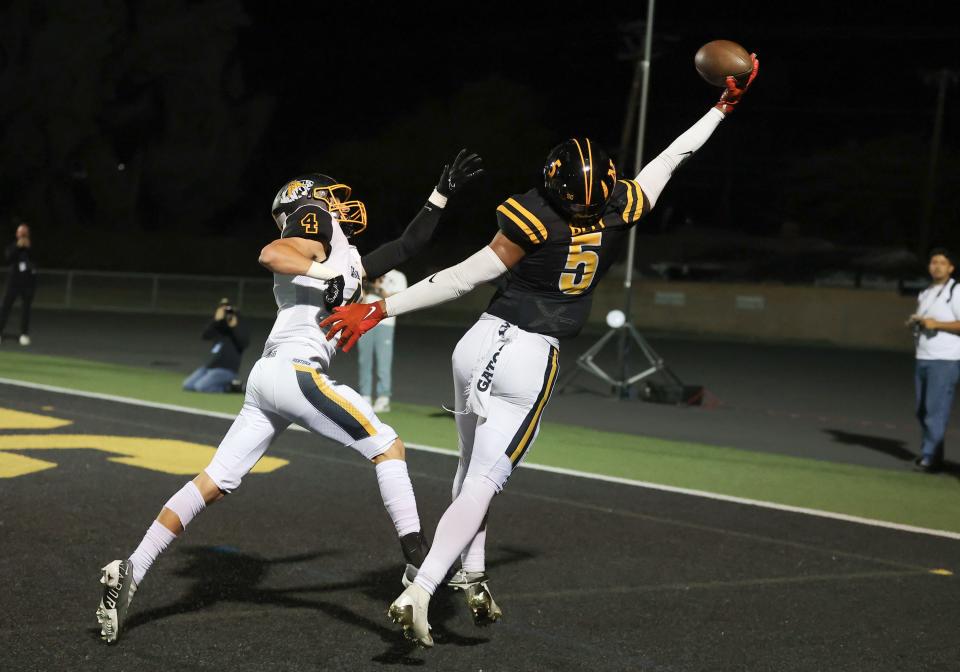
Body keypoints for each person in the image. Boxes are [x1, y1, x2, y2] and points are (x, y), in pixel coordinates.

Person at [321, 57, 759, 647]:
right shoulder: (613, 206)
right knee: (485, 481)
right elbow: (672, 158)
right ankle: (421, 586)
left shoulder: (533, 213)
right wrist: (721, 108)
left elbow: (463, 277)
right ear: (604, 184)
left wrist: (379, 307)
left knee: (466, 470)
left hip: (477, 344)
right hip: (531, 357)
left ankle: (471, 577)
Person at [95, 149, 485, 644]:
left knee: (213, 481)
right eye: (329, 198)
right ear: (308, 203)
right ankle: (418, 564)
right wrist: (328, 276)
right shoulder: (313, 225)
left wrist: (441, 193)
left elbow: (410, 243)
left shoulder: (343, 253)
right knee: (388, 446)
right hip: (298, 372)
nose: (338, 205)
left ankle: (132, 567)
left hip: (268, 378)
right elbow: (271, 254)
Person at [907, 247, 960, 473]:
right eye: (933, 262)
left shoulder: (955, 291)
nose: (936, 266)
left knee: (934, 410)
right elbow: (927, 320)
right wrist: (917, 323)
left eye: (942, 263)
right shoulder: (926, 292)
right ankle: (933, 454)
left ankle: (929, 457)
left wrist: (936, 324)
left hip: (944, 359)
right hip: (924, 357)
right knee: (922, 409)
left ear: (950, 268)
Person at [357, 269, 407, 412]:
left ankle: (383, 398)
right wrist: (365, 290)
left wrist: (377, 288)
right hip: (365, 320)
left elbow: (397, 299)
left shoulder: (398, 276)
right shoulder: (369, 273)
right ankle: (364, 395)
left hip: (386, 323)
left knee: (383, 361)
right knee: (364, 360)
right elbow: (361, 299)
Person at [182, 298, 250, 393]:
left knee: (200, 387)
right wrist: (215, 321)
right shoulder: (219, 326)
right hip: (209, 367)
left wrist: (233, 326)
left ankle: (231, 387)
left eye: (228, 308)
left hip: (226, 369)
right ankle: (229, 384)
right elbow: (205, 335)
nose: (226, 311)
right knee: (187, 385)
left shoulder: (239, 326)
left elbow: (244, 343)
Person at [0, 222, 38, 346]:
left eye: (24, 233)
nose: (22, 235)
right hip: (13, 283)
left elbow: (37, 262)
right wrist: (18, 247)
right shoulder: (12, 247)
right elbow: (8, 258)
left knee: (26, 309)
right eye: (20, 233)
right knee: (5, 308)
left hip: (28, 283)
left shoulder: (32, 248)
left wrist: (29, 248)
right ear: (17, 234)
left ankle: (24, 334)